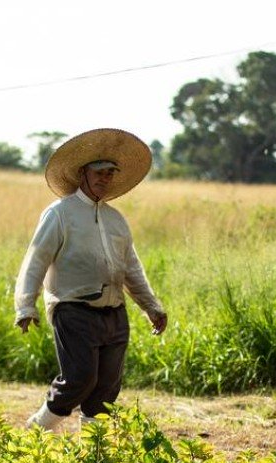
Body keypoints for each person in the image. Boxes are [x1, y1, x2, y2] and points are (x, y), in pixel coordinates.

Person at [14, 128, 167, 431]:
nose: (105, 178)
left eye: (110, 173)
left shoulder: (116, 220)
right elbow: (36, 260)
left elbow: (131, 269)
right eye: (99, 172)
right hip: (73, 308)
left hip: (114, 312)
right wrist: (25, 306)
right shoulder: (59, 214)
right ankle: (36, 431)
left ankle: (94, 455)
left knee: (107, 389)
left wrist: (151, 307)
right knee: (80, 378)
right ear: (83, 173)